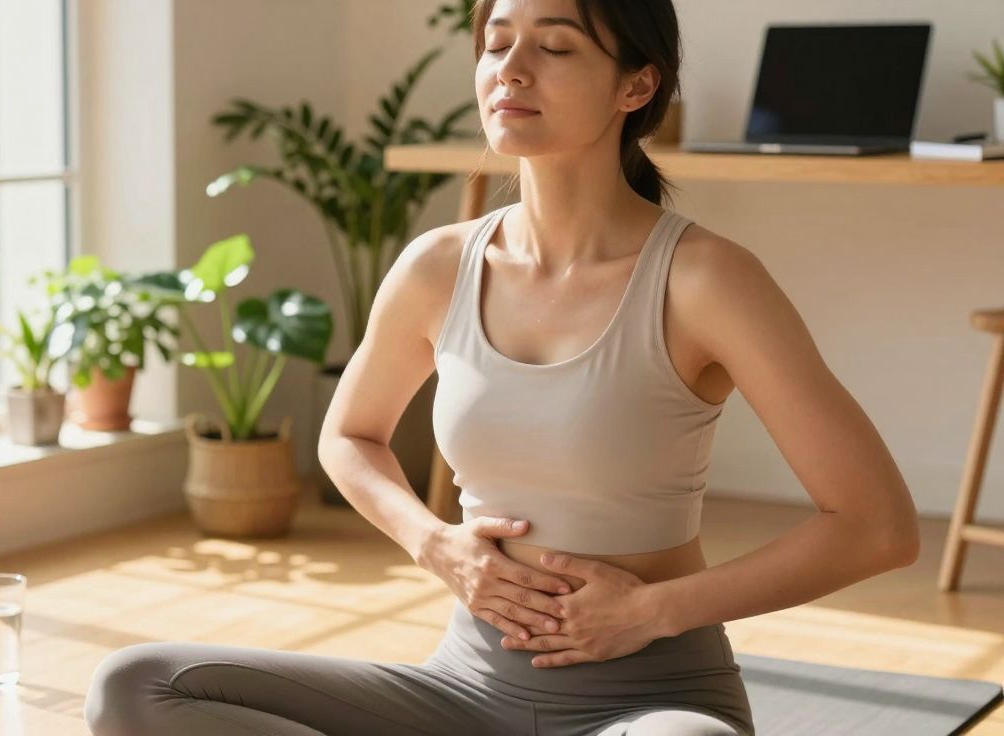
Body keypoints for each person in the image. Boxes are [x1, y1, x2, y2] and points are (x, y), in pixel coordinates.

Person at [83, 1, 921, 733]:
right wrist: (434, 544)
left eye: (554, 47)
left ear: (636, 86)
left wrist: (649, 611)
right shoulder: (437, 266)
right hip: (461, 695)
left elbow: (877, 526)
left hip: (648, 703)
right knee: (139, 686)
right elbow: (350, 436)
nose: (510, 70)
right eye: (495, 44)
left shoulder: (705, 280)